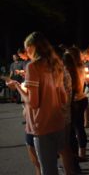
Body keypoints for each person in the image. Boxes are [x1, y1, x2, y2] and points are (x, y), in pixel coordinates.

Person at [6, 32, 68, 175]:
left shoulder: (33, 67)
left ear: (33, 47)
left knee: (48, 169)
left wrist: (17, 86)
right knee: (55, 166)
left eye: (27, 48)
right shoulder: (56, 64)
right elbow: (63, 98)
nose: (26, 51)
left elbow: (33, 103)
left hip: (42, 125)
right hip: (58, 122)